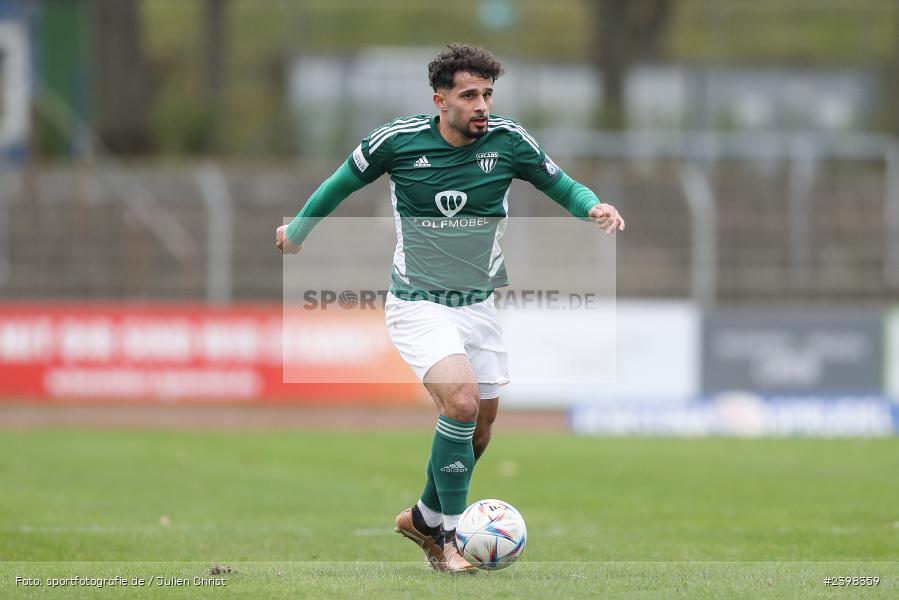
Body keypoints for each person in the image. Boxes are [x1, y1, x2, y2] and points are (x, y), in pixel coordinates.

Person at [276, 43, 624, 573]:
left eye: (487, 94)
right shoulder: (396, 142)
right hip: (417, 302)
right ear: (440, 100)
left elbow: (560, 182)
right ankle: (455, 540)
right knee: (460, 403)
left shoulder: (509, 142)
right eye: (469, 95)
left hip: (478, 304)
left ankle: (424, 516)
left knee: (479, 428)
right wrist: (297, 232)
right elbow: (338, 184)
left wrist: (591, 205)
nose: (482, 104)